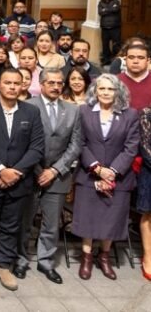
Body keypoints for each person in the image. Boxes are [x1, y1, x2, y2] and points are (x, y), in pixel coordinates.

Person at [0, 69, 45, 293]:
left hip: (19, 181)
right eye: (8, 83)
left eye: (17, 83)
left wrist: (15, 172)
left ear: (22, 86)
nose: (13, 87)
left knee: (11, 225)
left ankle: (4, 264)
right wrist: (0, 170)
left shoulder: (31, 112)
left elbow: (37, 147)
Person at [15, 68, 82, 284]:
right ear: (41, 84)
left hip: (58, 176)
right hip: (30, 174)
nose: (56, 86)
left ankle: (45, 261)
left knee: (51, 223)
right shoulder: (27, 107)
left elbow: (76, 144)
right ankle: (21, 259)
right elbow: (21, 143)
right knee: (24, 220)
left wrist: (54, 170)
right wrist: (38, 170)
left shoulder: (73, 110)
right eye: (51, 82)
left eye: (59, 83)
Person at [73, 74, 139, 281]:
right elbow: (79, 143)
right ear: (95, 91)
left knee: (111, 219)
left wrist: (112, 171)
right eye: (102, 89)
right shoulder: (83, 111)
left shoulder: (130, 114)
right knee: (88, 217)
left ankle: (104, 257)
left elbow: (131, 147)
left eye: (110, 89)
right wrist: (96, 168)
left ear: (118, 91)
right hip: (89, 175)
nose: (106, 93)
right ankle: (86, 258)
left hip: (119, 177)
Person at [138, 107, 151, 280]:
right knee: (149, 214)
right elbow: (145, 146)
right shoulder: (147, 114)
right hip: (150, 171)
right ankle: (148, 257)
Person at [98, 0, 122, 65]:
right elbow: (100, 12)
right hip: (105, 27)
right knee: (105, 45)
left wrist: (105, 9)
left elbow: (115, 9)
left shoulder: (116, 1)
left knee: (116, 45)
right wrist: (109, 9)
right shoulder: (101, 2)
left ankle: (116, 61)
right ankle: (106, 60)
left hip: (115, 27)